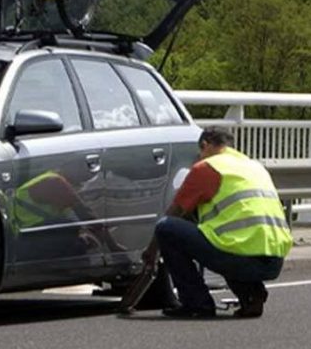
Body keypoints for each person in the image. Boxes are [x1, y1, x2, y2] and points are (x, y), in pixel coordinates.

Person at [125, 127, 293, 319]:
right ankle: (250, 294)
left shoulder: (207, 168)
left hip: (240, 255)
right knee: (227, 240)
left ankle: (196, 303)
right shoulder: (254, 166)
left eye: (200, 152)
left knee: (167, 228)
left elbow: (174, 214)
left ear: (204, 145)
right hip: (274, 260)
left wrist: (151, 252)